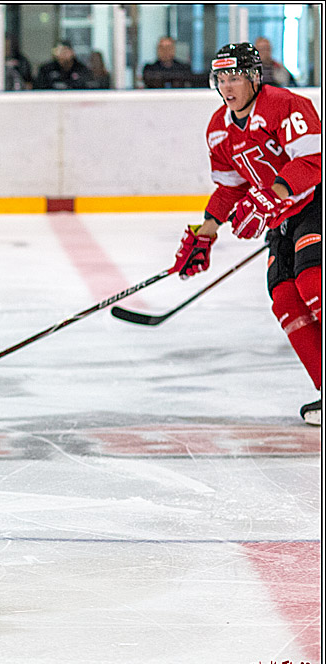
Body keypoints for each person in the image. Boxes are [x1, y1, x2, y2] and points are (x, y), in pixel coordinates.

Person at [169, 43, 321, 425]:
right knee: (284, 298)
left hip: (315, 203)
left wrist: (273, 194)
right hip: (282, 219)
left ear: (254, 77)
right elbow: (230, 188)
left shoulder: (286, 105)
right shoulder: (218, 130)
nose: (227, 86)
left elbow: (313, 160)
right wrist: (206, 233)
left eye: (234, 77)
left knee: (313, 282)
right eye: (221, 78)